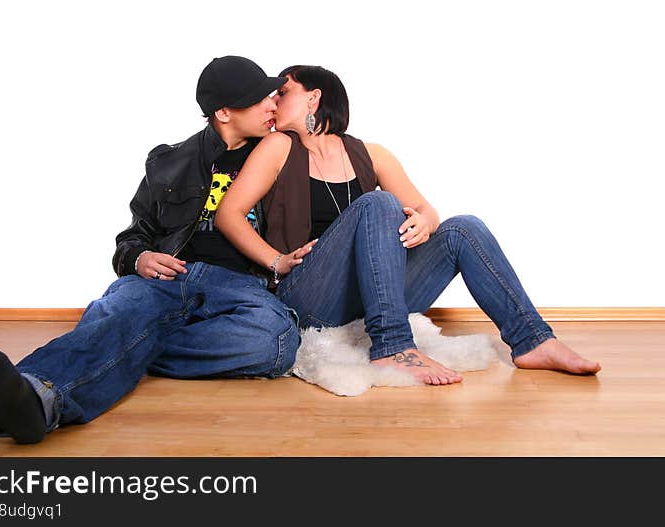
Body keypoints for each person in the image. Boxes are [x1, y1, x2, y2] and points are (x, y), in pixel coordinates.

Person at [0, 56, 304, 444]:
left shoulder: (282, 154)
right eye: (260, 99)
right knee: (125, 307)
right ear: (223, 112)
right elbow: (133, 236)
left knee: (276, 341)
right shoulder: (169, 162)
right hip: (170, 275)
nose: (272, 104)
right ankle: (34, 398)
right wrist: (139, 259)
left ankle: (117, 345)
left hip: (242, 286)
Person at [214, 65, 601, 386]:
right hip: (310, 298)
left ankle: (532, 340)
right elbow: (228, 214)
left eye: (283, 91)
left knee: (464, 227)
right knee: (379, 203)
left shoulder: (372, 154)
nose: (273, 101)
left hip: (373, 295)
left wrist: (424, 222)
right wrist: (278, 261)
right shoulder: (278, 146)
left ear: (313, 98)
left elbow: (423, 208)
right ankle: (393, 347)